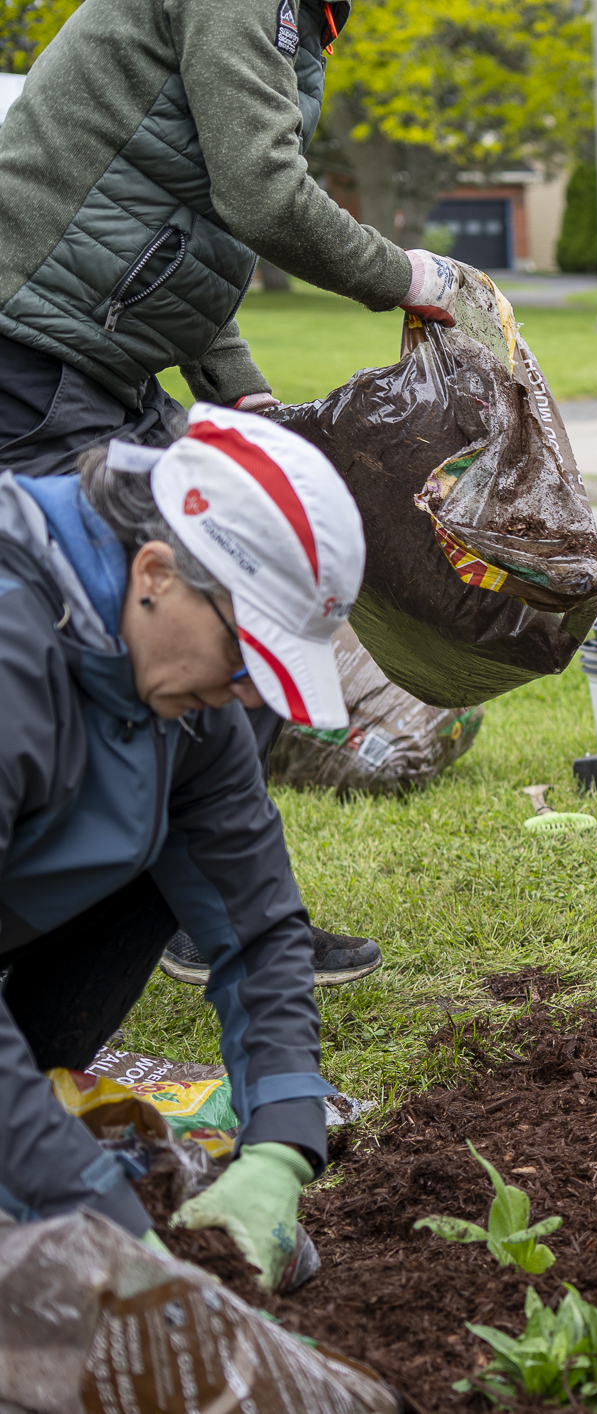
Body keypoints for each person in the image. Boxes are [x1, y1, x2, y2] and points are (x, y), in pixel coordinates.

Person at [0, 0, 473, 984]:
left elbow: (185, 217)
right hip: (35, 346)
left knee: (252, 609)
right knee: (185, 622)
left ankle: (217, 913)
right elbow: (260, 195)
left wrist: (237, 388)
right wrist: (411, 276)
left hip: (97, 352)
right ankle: (163, 924)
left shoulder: (297, 17)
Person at [0, 407, 364, 1287]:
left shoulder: (180, 691)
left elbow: (259, 925)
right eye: (244, 658)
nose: (245, 697)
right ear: (157, 569)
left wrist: (280, 1148)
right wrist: (92, 1204)